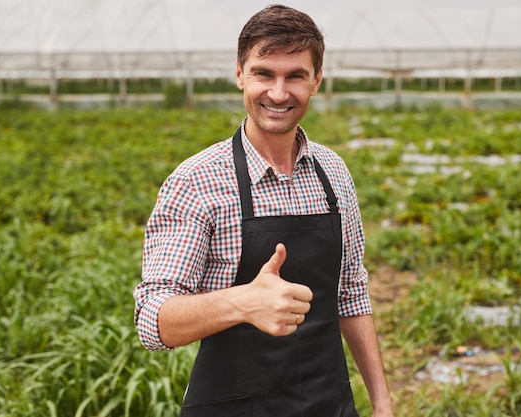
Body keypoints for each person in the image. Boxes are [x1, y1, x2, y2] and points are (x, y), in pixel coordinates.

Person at [133, 4, 393, 417]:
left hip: (329, 405)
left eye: (295, 76)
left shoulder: (333, 173)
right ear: (239, 74)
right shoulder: (198, 180)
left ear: (316, 81)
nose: (278, 93)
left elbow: (351, 294)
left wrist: (381, 404)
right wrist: (242, 303)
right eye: (264, 73)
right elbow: (153, 320)